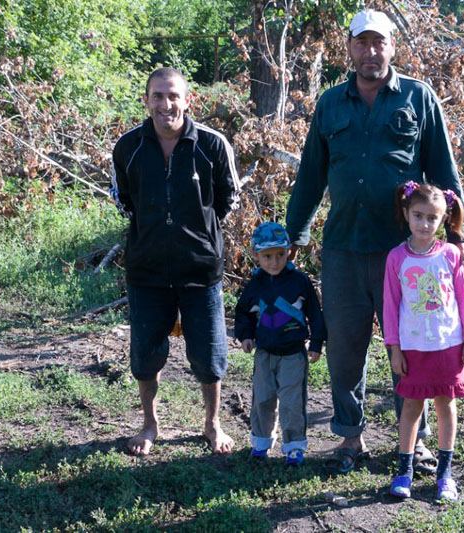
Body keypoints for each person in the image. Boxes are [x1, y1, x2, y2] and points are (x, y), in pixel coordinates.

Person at [285, 8, 464, 473]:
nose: (371, 52)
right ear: (348, 48)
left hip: (407, 255)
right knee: (346, 347)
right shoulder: (330, 103)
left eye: (380, 43)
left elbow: (444, 173)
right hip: (344, 249)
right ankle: (351, 438)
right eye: (362, 43)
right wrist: (294, 233)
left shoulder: (418, 97)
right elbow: (311, 175)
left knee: (414, 346)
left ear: (393, 47)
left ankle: (417, 441)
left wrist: (460, 234)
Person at [110, 67, 240, 455]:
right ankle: (150, 424)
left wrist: (194, 233)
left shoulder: (212, 145)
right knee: (145, 354)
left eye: (173, 96)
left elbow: (227, 200)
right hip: (147, 269)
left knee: (209, 354)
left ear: (187, 100)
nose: (166, 104)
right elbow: (123, 200)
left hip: (199, 268)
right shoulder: (128, 146)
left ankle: (212, 425)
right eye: (157, 96)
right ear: (146, 100)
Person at [383, 182, 464, 502]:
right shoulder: (396, 258)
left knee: (445, 405)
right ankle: (404, 471)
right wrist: (394, 348)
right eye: (418, 216)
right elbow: (390, 307)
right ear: (407, 214)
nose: (424, 224)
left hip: (448, 345)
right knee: (411, 406)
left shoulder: (451, 255)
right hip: (413, 349)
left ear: (443, 220)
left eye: (432, 218)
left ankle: (445, 473)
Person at [234, 222, 326, 466]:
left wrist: (316, 342)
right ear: (256, 255)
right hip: (264, 353)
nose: (274, 262)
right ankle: (261, 443)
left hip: (293, 354)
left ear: (289, 252)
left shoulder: (299, 281)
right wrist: (245, 335)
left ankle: (294, 447)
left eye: (280, 255)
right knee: (262, 399)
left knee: (292, 402)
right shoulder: (255, 285)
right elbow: (243, 312)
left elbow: (315, 313)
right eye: (267, 256)